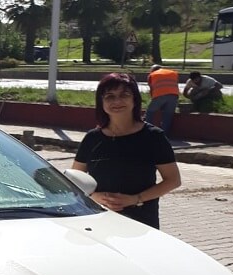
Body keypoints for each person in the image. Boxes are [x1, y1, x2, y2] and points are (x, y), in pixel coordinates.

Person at [72, 72, 182, 230]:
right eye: (109, 96)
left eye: (124, 95)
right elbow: (76, 180)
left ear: (134, 99)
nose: (117, 101)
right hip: (99, 219)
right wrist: (93, 196)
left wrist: (135, 199)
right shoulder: (92, 138)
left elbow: (173, 180)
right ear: (101, 102)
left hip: (141, 222)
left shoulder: (153, 137)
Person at [144, 64, 180, 134]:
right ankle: (164, 134)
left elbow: (152, 89)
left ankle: (147, 131)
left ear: (153, 70)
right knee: (168, 115)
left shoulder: (152, 75)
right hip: (174, 95)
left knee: (150, 112)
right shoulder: (173, 73)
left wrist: (154, 100)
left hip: (159, 95)